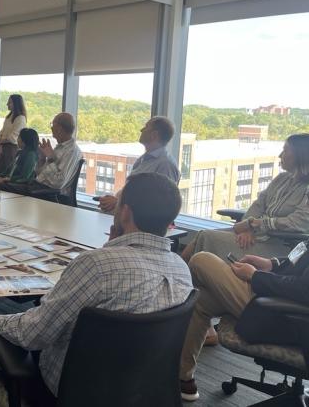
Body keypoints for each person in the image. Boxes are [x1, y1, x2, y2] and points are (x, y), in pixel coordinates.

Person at [0, 173, 193, 407]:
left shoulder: (96, 265)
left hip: (74, 392)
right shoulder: (182, 270)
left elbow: (33, 334)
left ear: (125, 212)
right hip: (142, 392)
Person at [179, 246, 309, 402]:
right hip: (280, 301)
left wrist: (255, 276)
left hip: (285, 315)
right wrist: (272, 263)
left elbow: (304, 290)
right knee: (200, 301)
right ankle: (183, 378)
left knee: (201, 260)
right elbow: (303, 259)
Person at [181, 134, 309, 263]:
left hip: (277, 248)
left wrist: (256, 225)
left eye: (286, 150)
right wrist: (248, 228)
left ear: (300, 156)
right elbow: (258, 205)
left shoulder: (306, 189)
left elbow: (296, 223)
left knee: (206, 237)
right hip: (255, 234)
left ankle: (181, 277)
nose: (280, 155)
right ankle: (180, 276)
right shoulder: (282, 179)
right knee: (201, 234)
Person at [99, 116, 181, 213]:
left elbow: (159, 206)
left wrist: (118, 203)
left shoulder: (166, 165)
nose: (141, 130)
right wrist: (113, 200)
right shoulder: (143, 159)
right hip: (124, 217)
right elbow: (134, 192)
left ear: (154, 135)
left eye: (146, 127)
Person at [30, 113, 82, 199]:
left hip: (53, 196)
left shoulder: (71, 151)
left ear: (59, 129)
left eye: (52, 124)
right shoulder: (60, 148)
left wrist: (50, 158)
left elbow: (58, 183)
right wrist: (42, 159)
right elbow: (39, 174)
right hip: (40, 189)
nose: (51, 128)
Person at [0, 95, 27, 174]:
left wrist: (1, 142)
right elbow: (2, 132)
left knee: (7, 172)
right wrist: (1, 144)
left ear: (16, 104)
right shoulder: (9, 117)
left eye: (10, 102)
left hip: (11, 149)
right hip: (3, 147)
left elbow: (14, 136)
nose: (7, 104)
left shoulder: (21, 118)